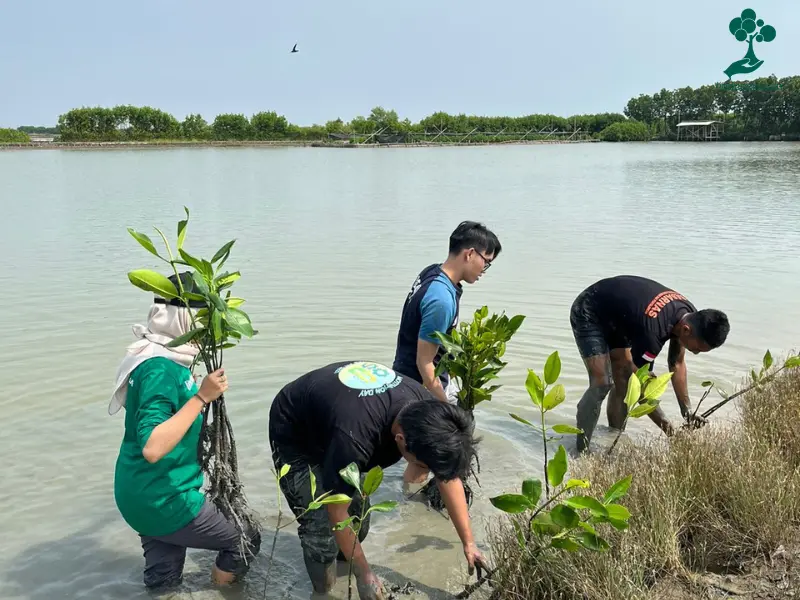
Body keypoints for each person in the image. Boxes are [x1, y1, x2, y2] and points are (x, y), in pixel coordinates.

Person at [268, 360, 489, 600]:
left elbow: (448, 476)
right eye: (423, 465)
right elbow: (336, 512)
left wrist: (469, 543)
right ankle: (323, 593)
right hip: (295, 430)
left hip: (339, 417)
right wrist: (365, 575)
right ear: (401, 440)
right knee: (320, 529)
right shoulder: (356, 440)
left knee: (360, 520)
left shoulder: (430, 416)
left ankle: (344, 565)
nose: (425, 472)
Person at [110, 273, 261, 590]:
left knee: (164, 581)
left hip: (140, 493)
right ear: (184, 318)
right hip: (163, 497)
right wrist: (201, 396)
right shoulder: (160, 368)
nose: (206, 330)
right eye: (202, 319)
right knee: (244, 540)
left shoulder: (155, 354)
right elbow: (152, 446)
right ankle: (224, 594)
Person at [570, 275, 730, 452]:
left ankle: (613, 439)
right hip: (590, 310)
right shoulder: (653, 332)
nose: (696, 353)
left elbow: (676, 363)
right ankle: (581, 451)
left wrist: (687, 411)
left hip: (620, 317)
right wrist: (670, 431)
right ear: (686, 330)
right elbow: (641, 389)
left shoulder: (689, 314)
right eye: (697, 348)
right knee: (602, 383)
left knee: (623, 381)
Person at [392, 220, 502, 406]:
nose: (484, 270)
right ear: (470, 254)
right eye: (486, 262)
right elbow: (424, 363)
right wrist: (446, 409)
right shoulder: (441, 299)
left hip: (404, 377)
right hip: (418, 391)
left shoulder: (432, 272)